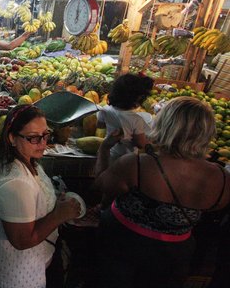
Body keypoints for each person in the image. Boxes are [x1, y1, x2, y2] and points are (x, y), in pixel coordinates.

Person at [95, 96, 230, 288]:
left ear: (165, 125)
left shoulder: (136, 165)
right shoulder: (222, 179)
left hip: (123, 249)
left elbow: (101, 184)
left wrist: (104, 148)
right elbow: (216, 207)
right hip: (176, 256)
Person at [0, 105, 81, 287]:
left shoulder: (14, 158)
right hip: (18, 274)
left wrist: (54, 200)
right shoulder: (16, 183)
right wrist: (59, 215)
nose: (43, 143)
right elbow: (22, 240)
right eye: (33, 138)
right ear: (12, 138)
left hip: (6, 264)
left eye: (45, 135)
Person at [97, 73, 154, 162]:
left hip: (108, 154)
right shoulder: (136, 120)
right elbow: (141, 143)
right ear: (138, 98)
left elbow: (100, 126)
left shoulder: (104, 109)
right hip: (126, 160)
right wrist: (152, 144)